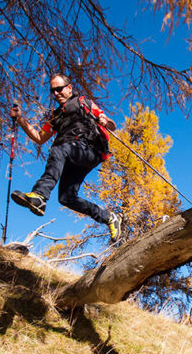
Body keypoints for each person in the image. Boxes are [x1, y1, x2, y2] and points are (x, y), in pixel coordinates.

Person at [9, 73, 121, 243]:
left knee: (60, 148)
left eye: (59, 89)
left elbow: (111, 124)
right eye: (53, 91)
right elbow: (40, 137)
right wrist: (20, 119)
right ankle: (109, 217)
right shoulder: (55, 117)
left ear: (69, 88)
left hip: (90, 150)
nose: (56, 93)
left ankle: (39, 195)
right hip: (72, 155)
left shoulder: (83, 102)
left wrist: (104, 119)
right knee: (66, 198)